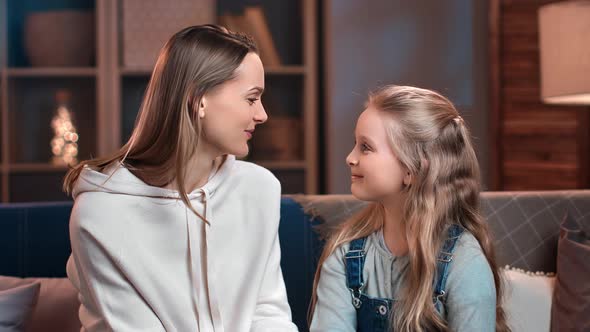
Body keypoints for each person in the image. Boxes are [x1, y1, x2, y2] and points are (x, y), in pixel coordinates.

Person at [63, 25, 297, 331]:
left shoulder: (259, 189)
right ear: (198, 99)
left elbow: (268, 312)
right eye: (252, 99)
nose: (263, 114)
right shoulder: (101, 214)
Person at [309, 85, 510, 332]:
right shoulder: (346, 253)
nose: (350, 158)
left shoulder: (465, 262)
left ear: (411, 170)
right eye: (355, 144)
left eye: (366, 147)